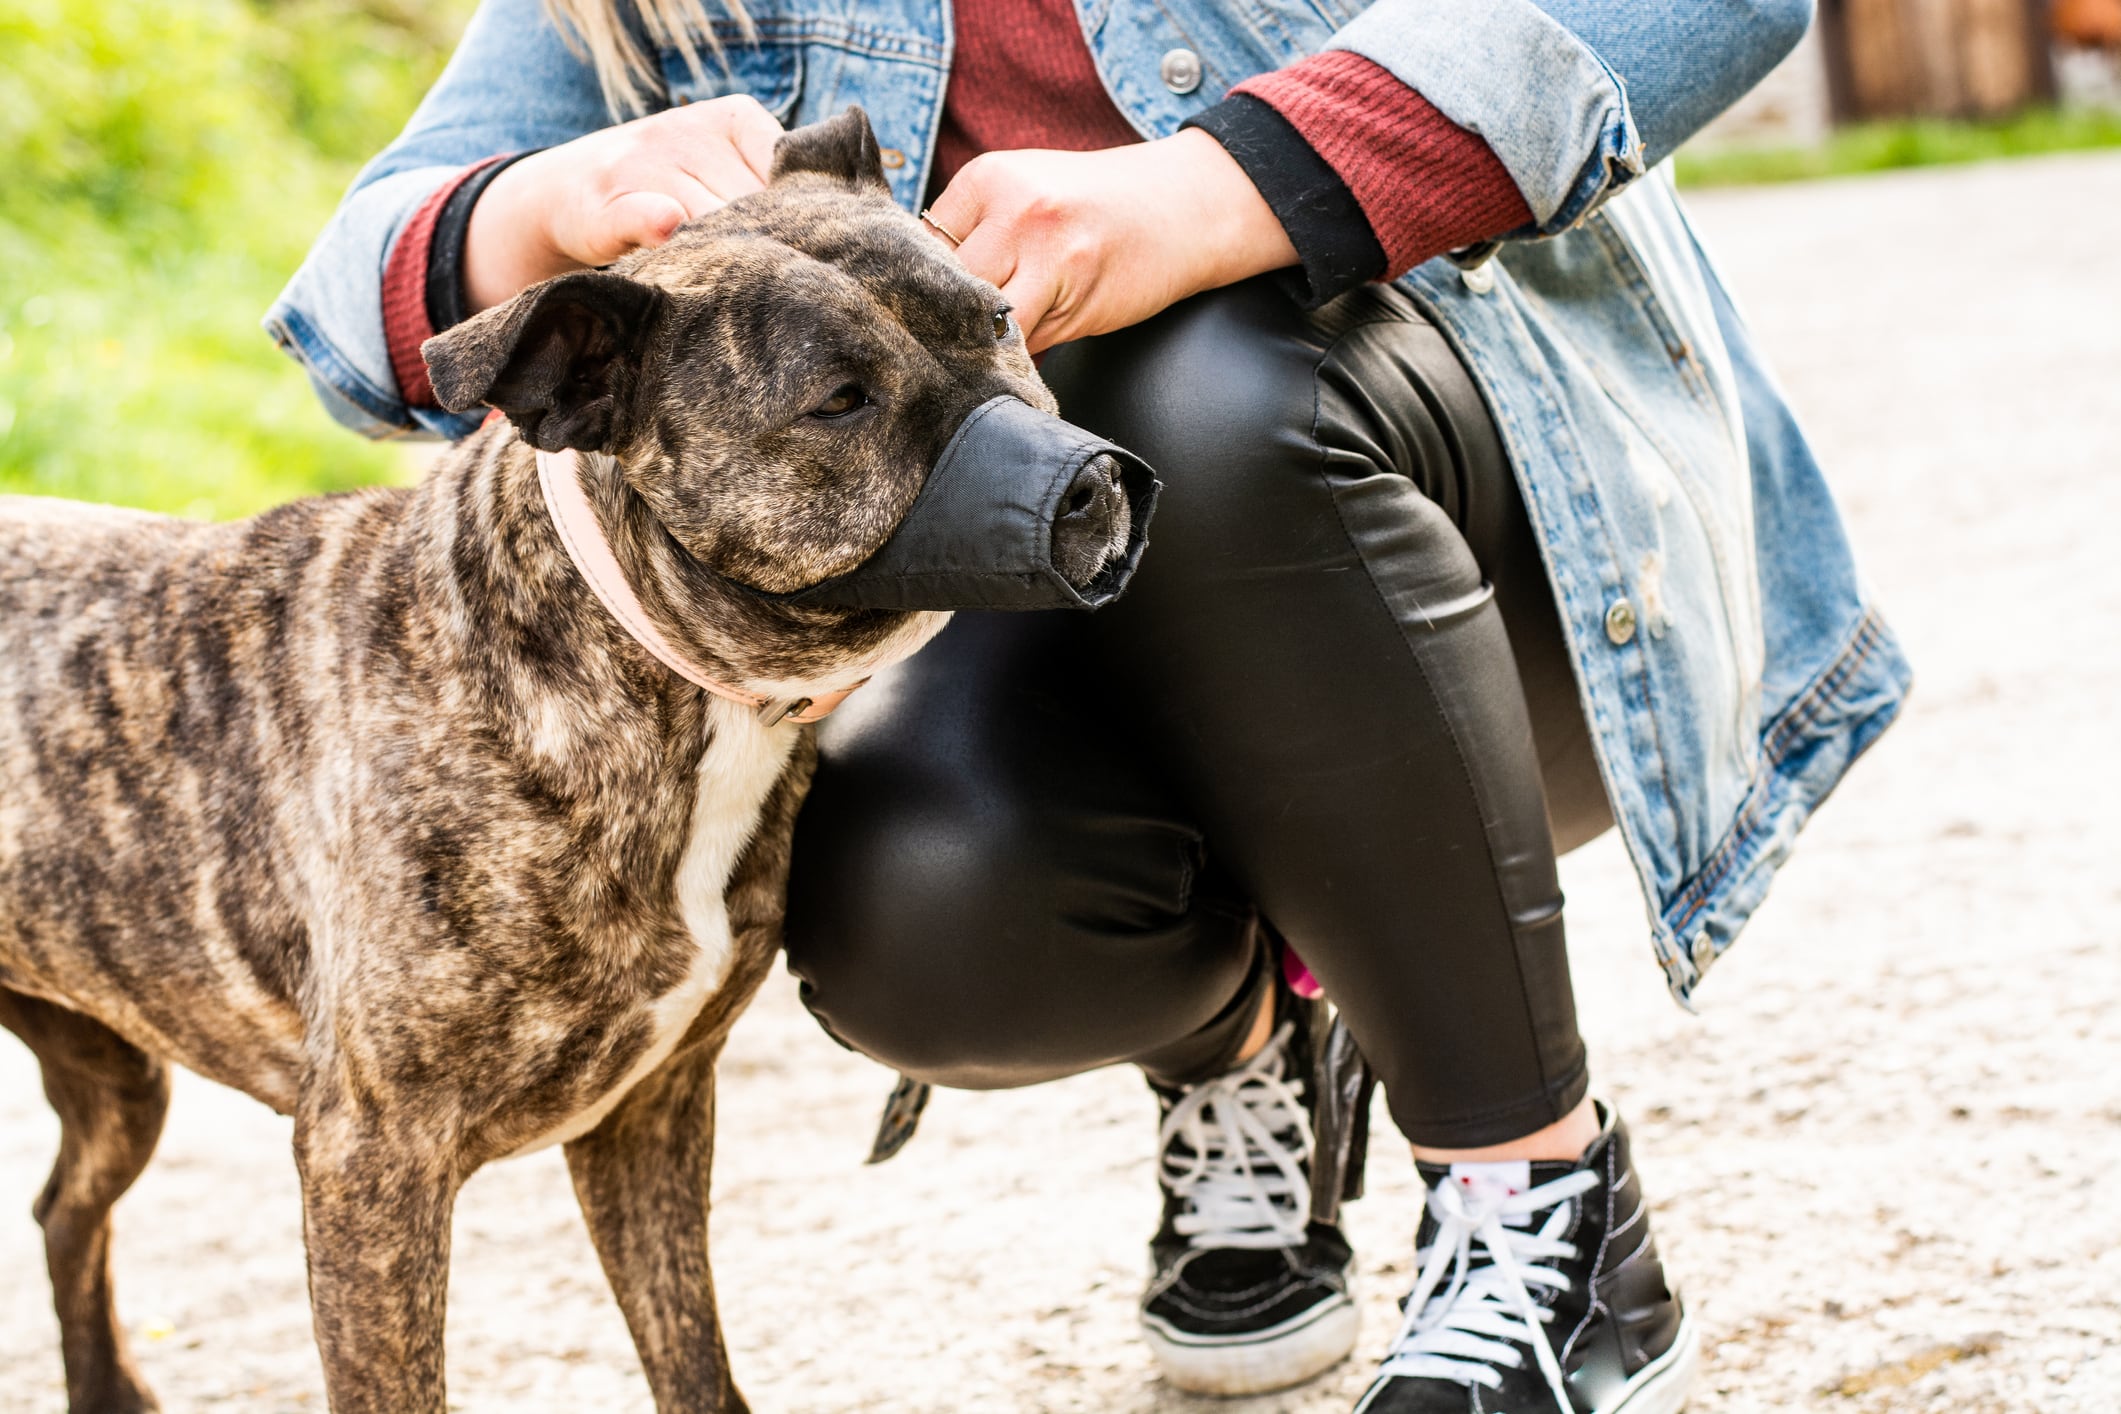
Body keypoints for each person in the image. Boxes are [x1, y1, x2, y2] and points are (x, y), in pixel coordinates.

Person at [269, 1, 1910, 1408]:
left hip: (1471, 540)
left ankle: (1541, 1213)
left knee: (1196, 387)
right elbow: (349, 305)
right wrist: (545, 205)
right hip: (1059, 566)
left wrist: (1220, 194)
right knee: (919, 889)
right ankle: (1251, 1032)